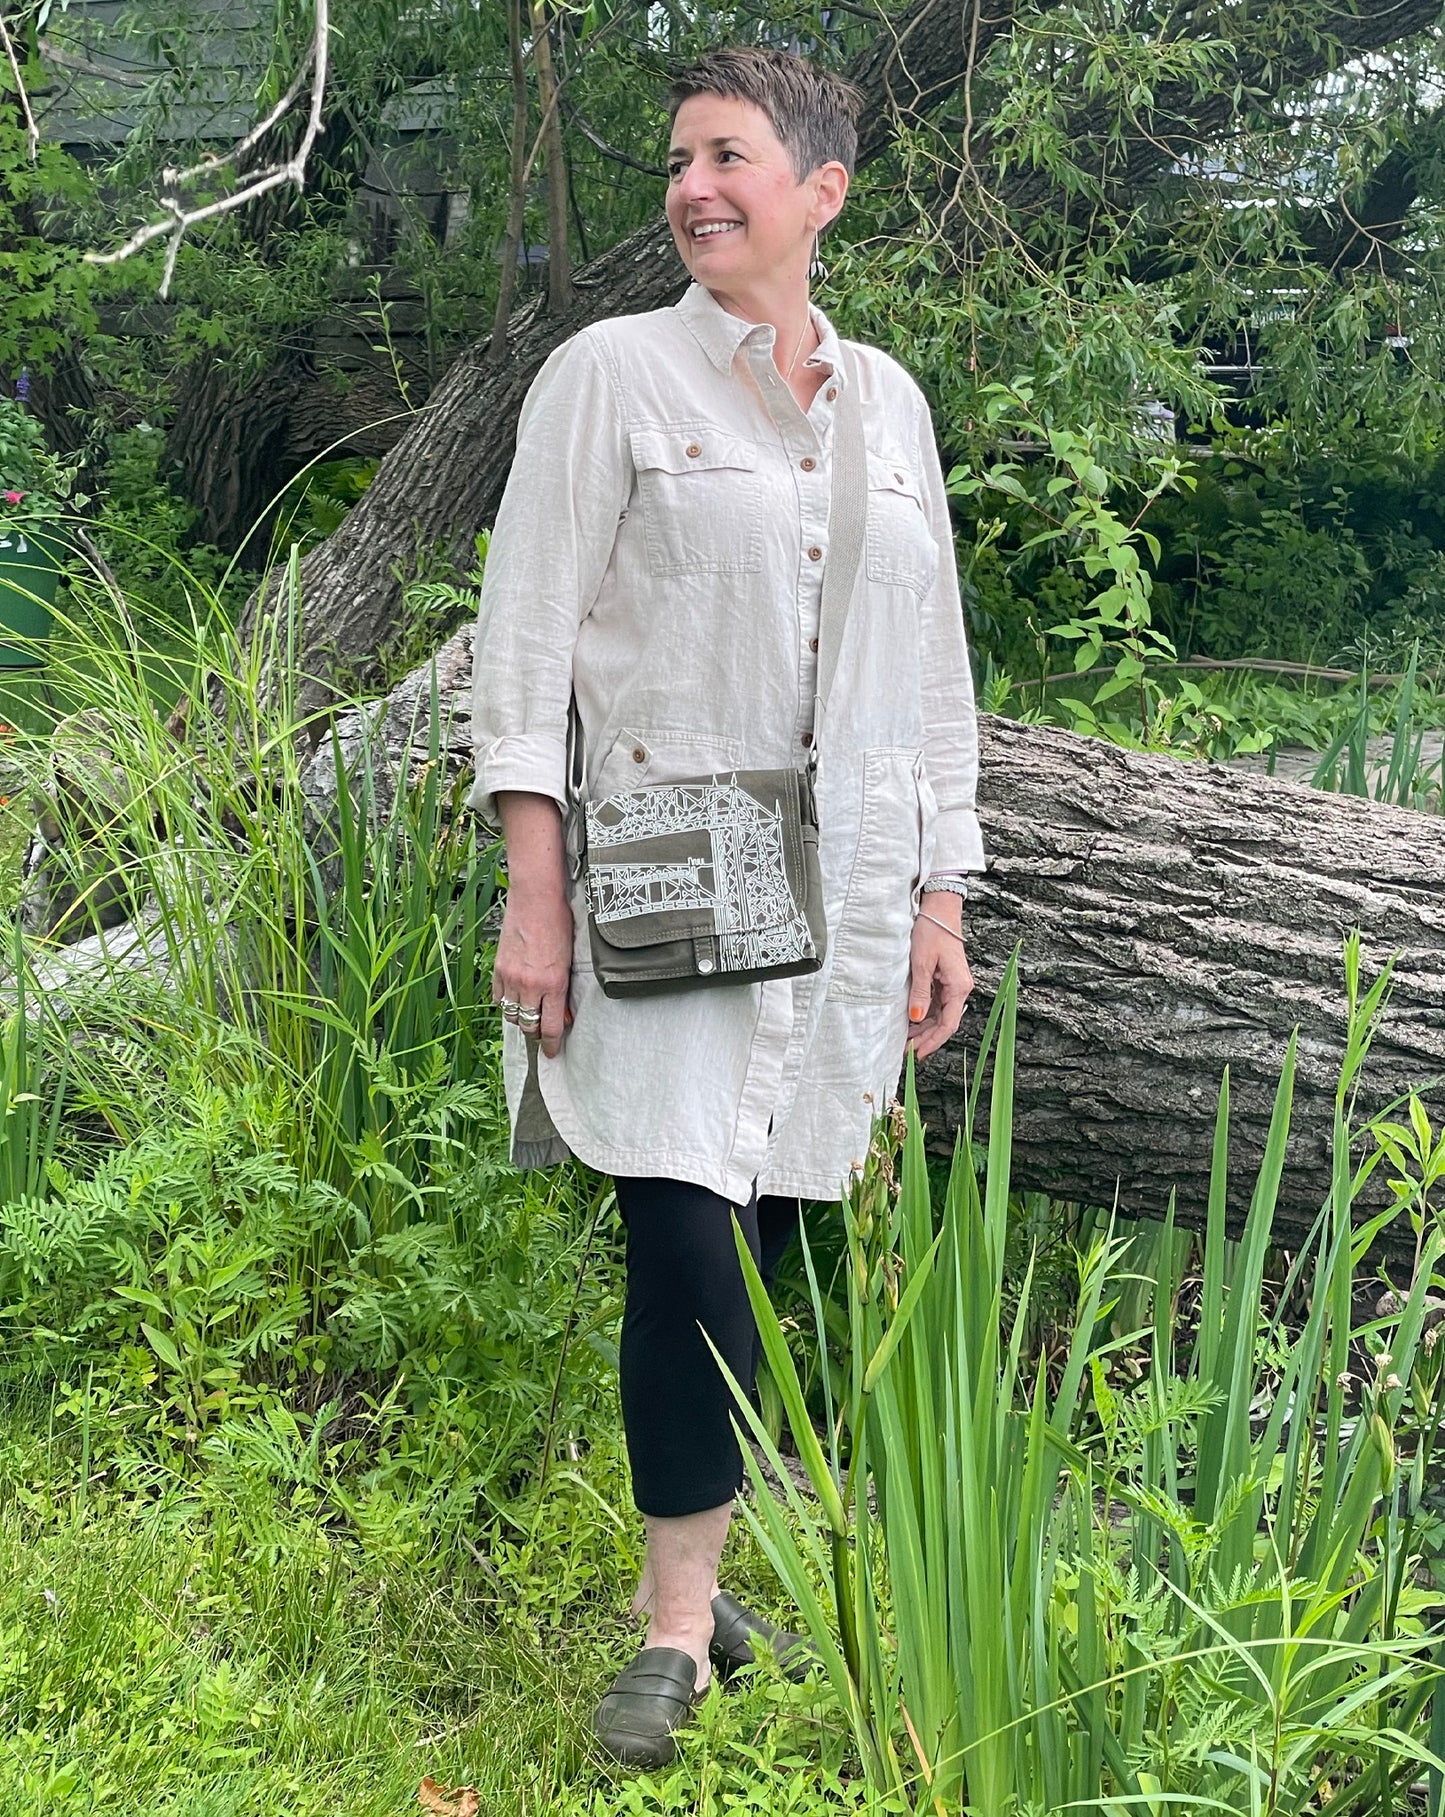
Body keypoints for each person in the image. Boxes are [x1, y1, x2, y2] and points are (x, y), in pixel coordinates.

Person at [468, 45, 983, 1768]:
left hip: (838, 890)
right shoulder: (606, 376)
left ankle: (701, 1576)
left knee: (758, 1249)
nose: (694, 186)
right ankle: (676, 1637)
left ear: (821, 190)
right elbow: (526, 653)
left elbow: (932, 679)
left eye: (730, 157)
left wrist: (940, 896)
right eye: (679, 158)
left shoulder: (890, 405)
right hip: (674, 864)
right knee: (684, 1238)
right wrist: (532, 894)